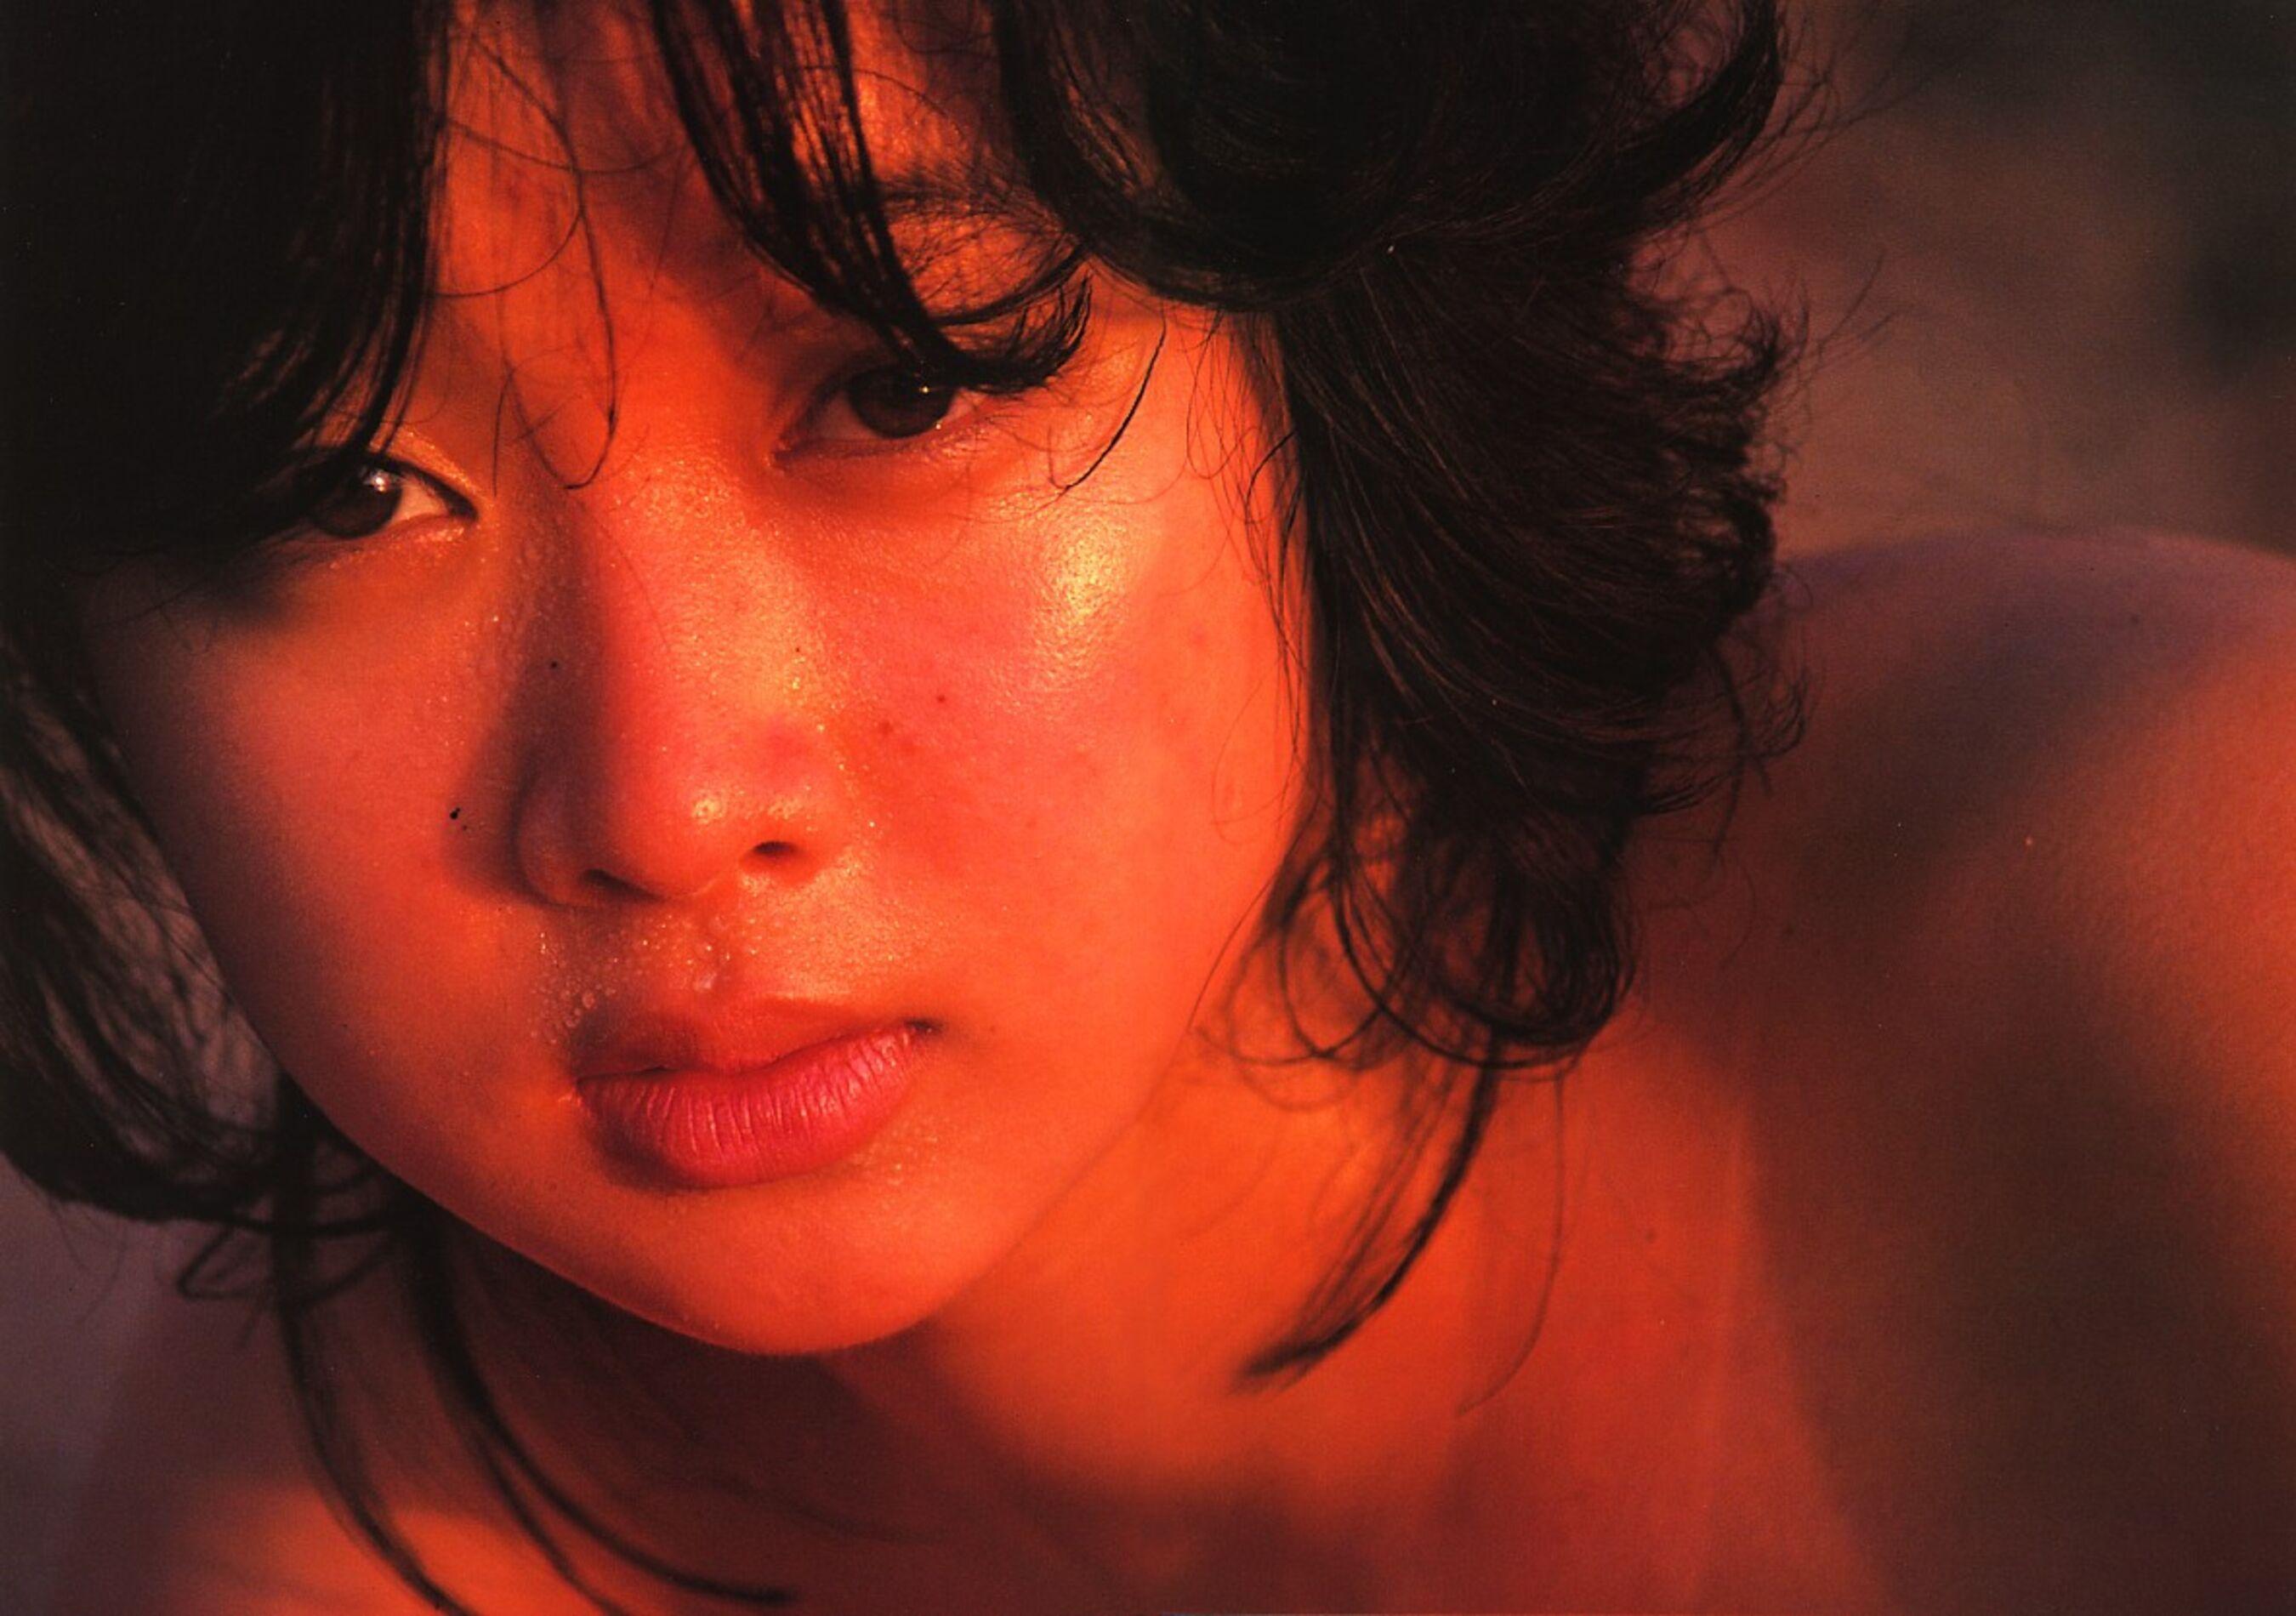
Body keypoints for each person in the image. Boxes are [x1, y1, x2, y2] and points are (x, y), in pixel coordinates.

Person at [3, 0, 2291, 1611]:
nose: (667, 800)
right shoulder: (348, 1534)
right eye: (339, 486)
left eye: (904, 381)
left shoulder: (2189, 916)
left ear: (1334, 324)